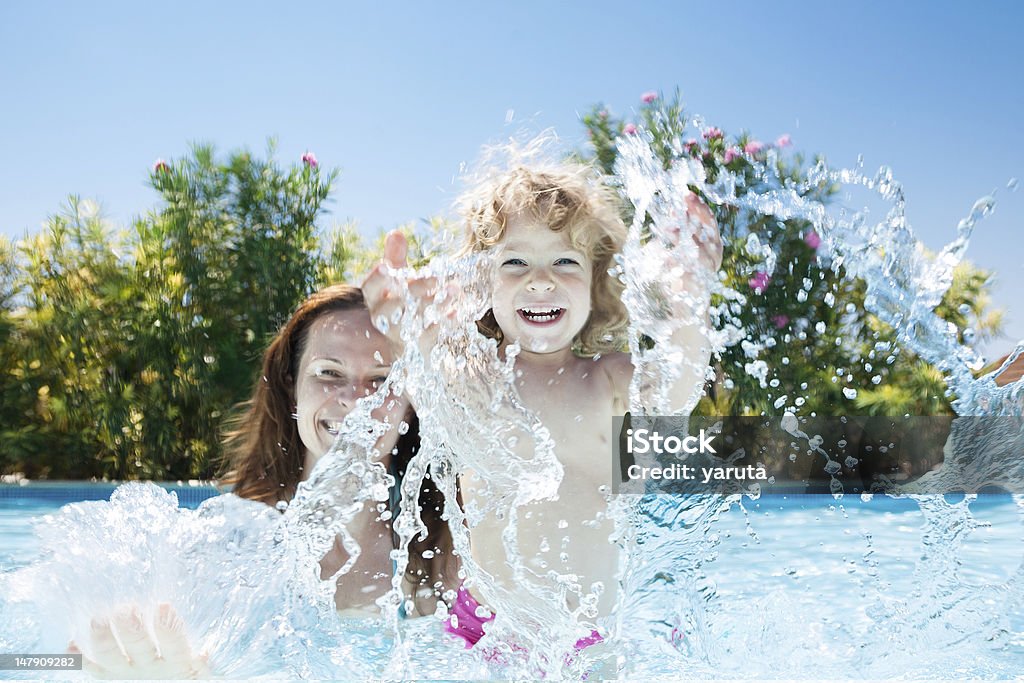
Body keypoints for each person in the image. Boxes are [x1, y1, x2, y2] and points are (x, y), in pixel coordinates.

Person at [362, 160, 722, 648]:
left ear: (596, 282)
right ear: (480, 283)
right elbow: (422, 363)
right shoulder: (475, 378)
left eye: (565, 262)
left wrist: (689, 305)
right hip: (479, 626)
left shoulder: (609, 381)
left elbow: (674, 395)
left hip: (582, 641)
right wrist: (399, 316)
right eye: (514, 262)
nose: (540, 280)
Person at [69, 284, 454, 678]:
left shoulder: (447, 545)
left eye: (381, 378)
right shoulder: (229, 543)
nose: (354, 399)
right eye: (329, 373)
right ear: (291, 386)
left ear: (412, 398)